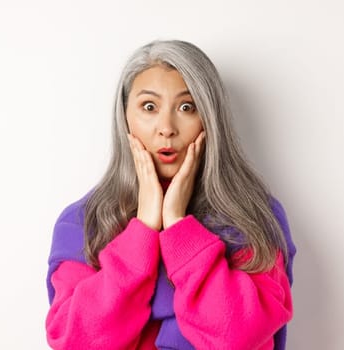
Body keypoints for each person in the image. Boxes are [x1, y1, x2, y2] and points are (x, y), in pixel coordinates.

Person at [44, 40, 296, 349]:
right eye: (149, 107)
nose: (166, 128)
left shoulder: (252, 214)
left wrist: (178, 226)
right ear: (125, 117)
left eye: (187, 107)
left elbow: (239, 337)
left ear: (210, 119)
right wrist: (144, 229)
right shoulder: (82, 222)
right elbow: (77, 341)